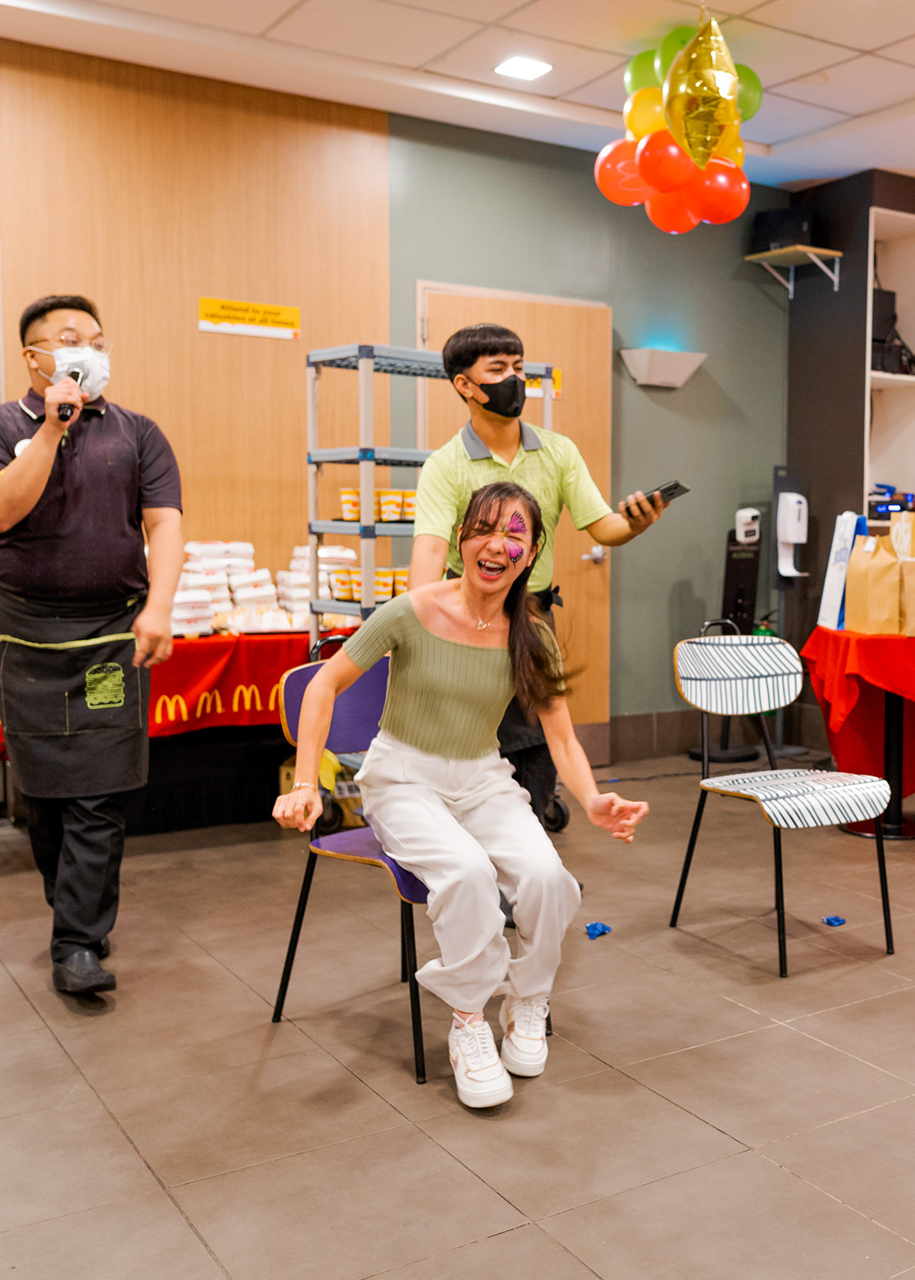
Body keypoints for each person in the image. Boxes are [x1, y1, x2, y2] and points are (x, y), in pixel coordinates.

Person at [277, 481, 646, 1109]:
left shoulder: (531, 634)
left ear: (531, 555)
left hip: (482, 777)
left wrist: (591, 801)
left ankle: (527, 1000)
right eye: (484, 529)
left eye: (514, 535)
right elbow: (323, 686)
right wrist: (306, 781)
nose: (497, 545)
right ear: (459, 540)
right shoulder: (411, 611)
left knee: (549, 879)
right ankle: (469, 1021)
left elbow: (560, 734)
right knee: (469, 872)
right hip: (403, 779)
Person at [0, 294, 183, 996]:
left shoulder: (139, 433)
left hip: (111, 636)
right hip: (26, 633)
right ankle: (74, 911)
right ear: (34, 357)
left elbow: (164, 524)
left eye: (97, 339)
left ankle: (78, 942)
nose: (88, 350)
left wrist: (160, 607)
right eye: (68, 338)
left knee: (100, 787)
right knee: (45, 789)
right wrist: (53, 428)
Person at [410, 323, 667, 824]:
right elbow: (429, 554)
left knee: (540, 742)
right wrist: (416, 624)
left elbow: (603, 526)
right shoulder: (445, 466)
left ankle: (531, 848)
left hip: (531, 620)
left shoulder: (557, 451)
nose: (515, 379)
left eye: (519, 367)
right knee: (477, 747)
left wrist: (635, 523)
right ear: (464, 385)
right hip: (470, 623)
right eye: (498, 369)